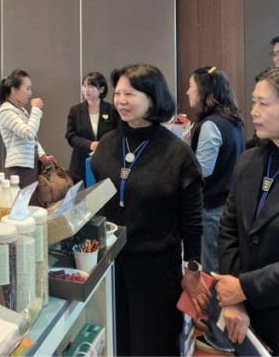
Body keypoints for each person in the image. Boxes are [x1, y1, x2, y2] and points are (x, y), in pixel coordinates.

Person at [91, 63, 208, 356]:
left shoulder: (177, 153)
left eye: (129, 94)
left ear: (153, 98)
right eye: (118, 93)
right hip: (111, 267)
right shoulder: (107, 145)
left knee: (153, 345)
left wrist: (193, 267)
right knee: (117, 342)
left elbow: (193, 219)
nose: (120, 101)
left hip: (156, 270)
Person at [214, 67, 279, 355]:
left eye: (264, 103)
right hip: (247, 319)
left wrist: (243, 288)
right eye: (253, 101)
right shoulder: (250, 160)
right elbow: (229, 229)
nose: (253, 111)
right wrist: (235, 298)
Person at [186, 66, 245, 273]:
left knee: (211, 270)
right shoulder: (233, 119)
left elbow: (202, 170)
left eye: (191, 86)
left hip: (211, 208)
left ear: (204, 91)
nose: (187, 92)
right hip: (227, 202)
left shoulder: (210, 125)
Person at [0, 70, 54, 205]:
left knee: (34, 205)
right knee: (24, 207)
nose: (30, 93)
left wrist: (42, 155)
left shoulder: (20, 110)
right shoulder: (6, 110)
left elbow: (33, 138)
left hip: (30, 164)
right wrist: (36, 109)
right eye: (27, 88)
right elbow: (28, 133)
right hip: (19, 167)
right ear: (14, 89)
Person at [65, 71, 118, 183]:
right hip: (80, 164)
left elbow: (117, 134)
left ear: (101, 89)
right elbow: (70, 136)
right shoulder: (75, 110)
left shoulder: (112, 110)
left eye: (91, 86)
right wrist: (90, 144)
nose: (86, 90)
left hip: (106, 162)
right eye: (84, 86)